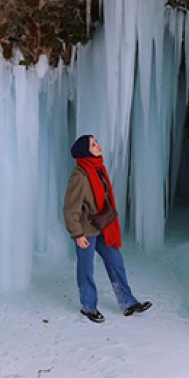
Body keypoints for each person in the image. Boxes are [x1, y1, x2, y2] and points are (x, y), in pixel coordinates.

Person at [62, 134, 151, 323]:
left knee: (116, 263)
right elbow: (71, 208)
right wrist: (77, 234)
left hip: (103, 226)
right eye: (93, 145)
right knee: (86, 268)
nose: (98, 146)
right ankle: (89, 307)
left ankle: (127, 302)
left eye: (96, 143)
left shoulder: (98, 168)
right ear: (85, 151)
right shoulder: (80, 175)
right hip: (86, 231)